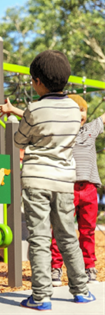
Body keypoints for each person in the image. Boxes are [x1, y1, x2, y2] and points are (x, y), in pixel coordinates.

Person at [0, 50, 95, 310]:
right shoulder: (75, 110)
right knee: (67, 236)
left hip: (36, 179)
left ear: (37, 81)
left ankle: (41, 296)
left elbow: (19, 140)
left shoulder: (33, 109)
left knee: (39, 238)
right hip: (64, 181)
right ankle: (81, 290)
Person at [50, 94, 104, 286]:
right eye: (75, 109)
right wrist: (14, 111)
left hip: (89, 189)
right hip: (67, 187)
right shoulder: (60, 131)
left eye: (82, 110)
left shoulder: (92, 128)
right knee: (61, 228)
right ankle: (55, 268)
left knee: (87, 231)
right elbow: (37, 119)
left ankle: (89, 268)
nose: (80, 113)